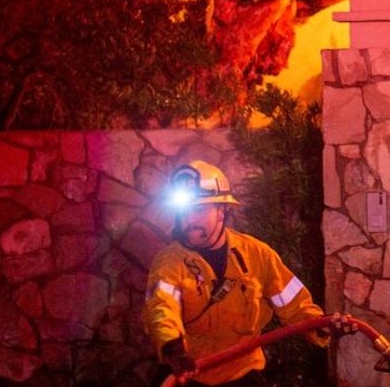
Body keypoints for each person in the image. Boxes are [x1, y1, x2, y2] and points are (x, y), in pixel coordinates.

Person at [143, 160, 347, 386]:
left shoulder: (255, 253)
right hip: (190, 372)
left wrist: (320, 324)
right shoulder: (169, 262)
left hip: (243, 372)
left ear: (222, 210)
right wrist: (173, 348)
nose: (188, 220)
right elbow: (160, 307)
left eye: (198, 210)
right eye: (183, 212)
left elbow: (294, 304)